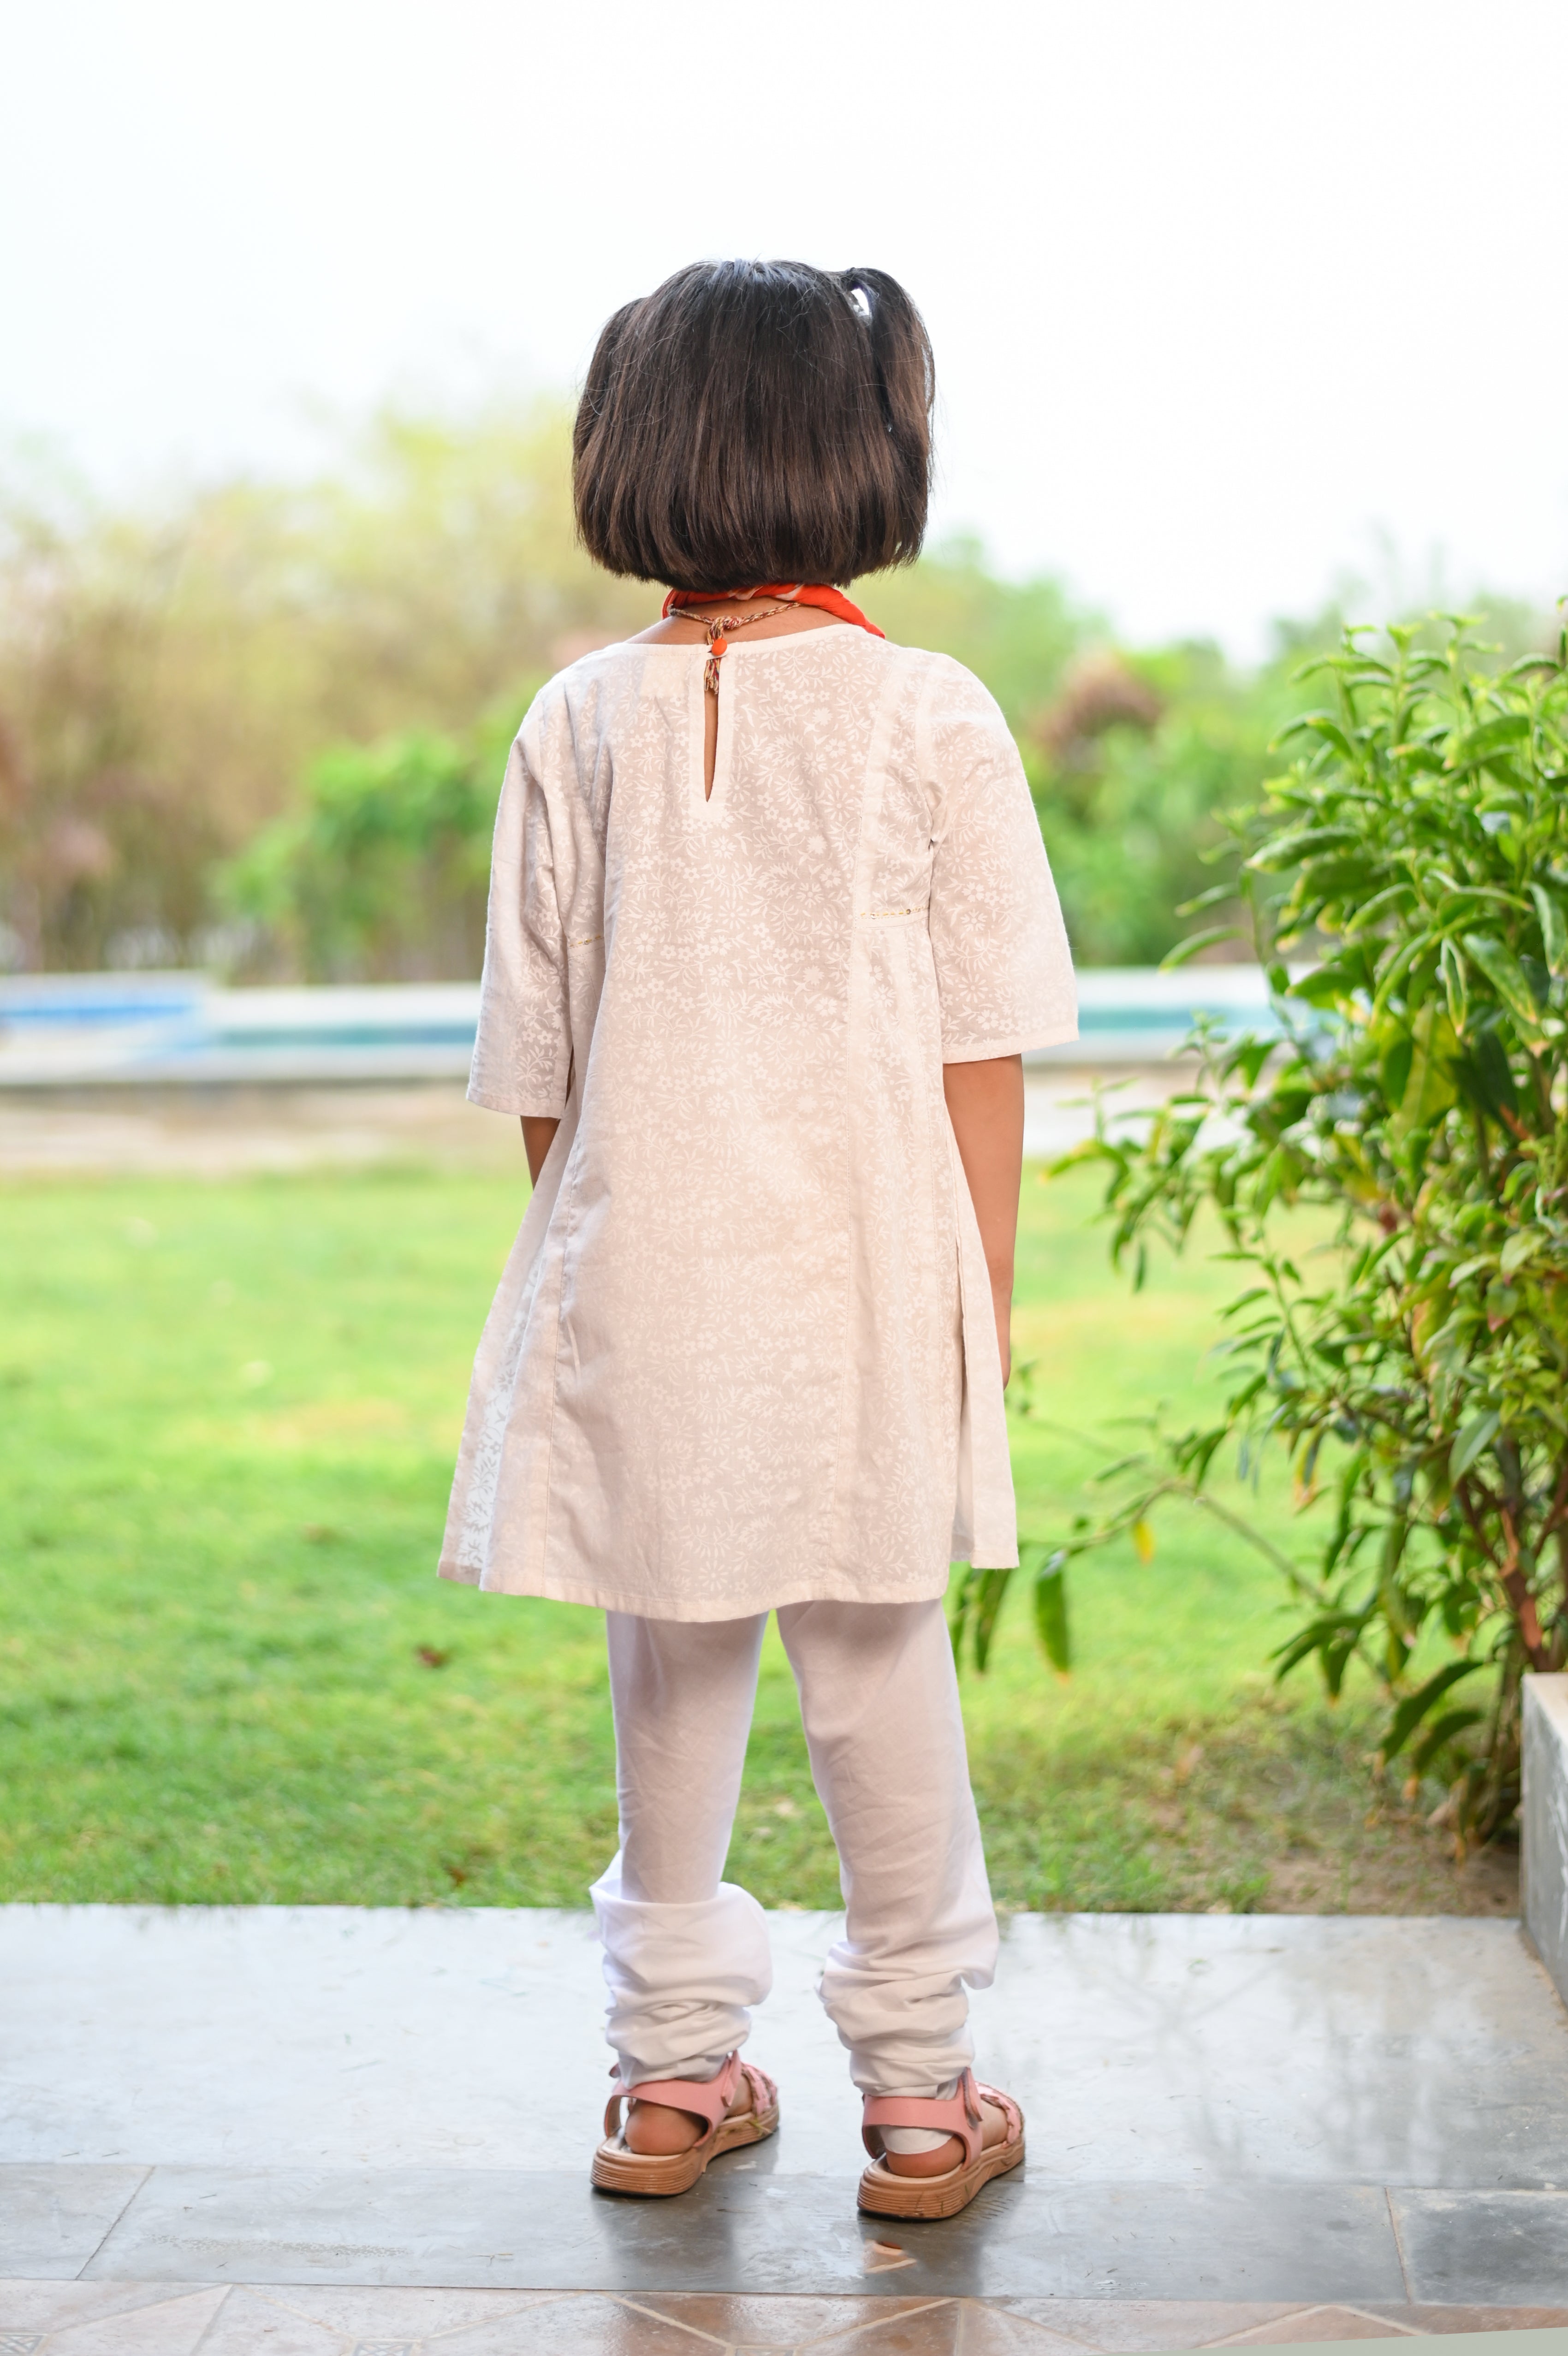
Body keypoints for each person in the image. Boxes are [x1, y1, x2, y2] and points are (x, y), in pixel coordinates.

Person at [440, 259, 1076, 2221]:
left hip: (640, 1275)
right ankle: (916, 2101)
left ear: (635, 450)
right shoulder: (929, 717)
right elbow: (986, 1056)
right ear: (861, 454)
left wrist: (611, 1254)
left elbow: (545, 1079)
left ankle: (666, 2082)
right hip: (875, 1294)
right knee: (883, 1669)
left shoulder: (574, 720)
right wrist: (974, 1306)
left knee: (673, 1668)